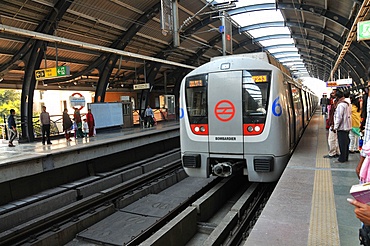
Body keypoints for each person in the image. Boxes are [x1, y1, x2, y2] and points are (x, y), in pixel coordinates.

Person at [333, 90, 352, 162]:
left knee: (342, 143)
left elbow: (339, 117)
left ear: (337, 97)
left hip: (342, 127)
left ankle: (342, 158)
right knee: (346, 143)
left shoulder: (341, 105)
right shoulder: (348, 103)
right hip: (347, 126)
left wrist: (335, 127)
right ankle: (345, 157)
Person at [323, 90, 340, 158]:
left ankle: (332, 153)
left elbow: (336, 115)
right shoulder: (336, 103)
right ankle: (337, 152)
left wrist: (333, 124)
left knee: (332, 139)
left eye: (333, 93)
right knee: (336, 139)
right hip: (334, 124)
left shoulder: (337, 104)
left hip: (334, 124)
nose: (331, 94)